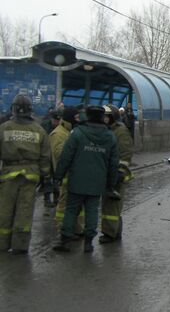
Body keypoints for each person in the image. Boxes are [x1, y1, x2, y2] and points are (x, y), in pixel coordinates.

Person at [52, 105, 119, 253]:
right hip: (97, 181)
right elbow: (113, 163)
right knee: (92, 211)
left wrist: (58, 176)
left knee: (71, 210)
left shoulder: (77, 133)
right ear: (102, 117)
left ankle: (65, 241)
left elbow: (66, 157)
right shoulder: (110, 136)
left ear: (87, 116)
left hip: (76, 180)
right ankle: (88, 243)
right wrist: (110, 185)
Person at [0, 94, 51, 255]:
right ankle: (20, 246)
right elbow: (45, 156)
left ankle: (2, 243)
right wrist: (46, 176)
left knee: (5, 210)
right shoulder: (39, 129)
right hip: (31, 175)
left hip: (8, 174)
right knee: (25, 210)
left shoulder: (4, 127)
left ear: (13, 109)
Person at [99, 104, 134, 244]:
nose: (104, 119)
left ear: (112, 117)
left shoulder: (120, 131)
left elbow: (125, 153)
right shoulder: (108, 130)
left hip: (118, 175)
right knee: (108, 204)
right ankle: (113, 231)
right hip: (109, 173)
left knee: (112, 205)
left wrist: (120, 172)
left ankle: (110, 233)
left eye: (106, 116)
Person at [50, 106, 83, 235]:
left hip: (74, 174)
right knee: (64, 205)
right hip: (65, 176)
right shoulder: (58, 133)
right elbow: (60, 155)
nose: (78, 120)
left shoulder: (71, 131)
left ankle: (78, 229)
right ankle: (63, 231)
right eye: (76, 118)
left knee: (77, 204)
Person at [40, 108, 62, 207]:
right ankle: (47, 199)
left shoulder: (62, 127)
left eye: (58, 120)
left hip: (55, 156)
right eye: (55, 120)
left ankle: (57, 198)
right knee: (47, 178)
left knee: (57, 178)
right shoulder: (44, 125)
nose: (56, 123)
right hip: (46, 155)